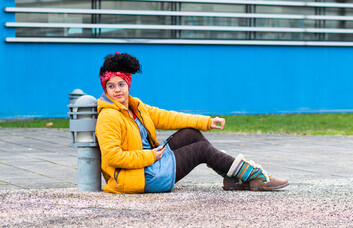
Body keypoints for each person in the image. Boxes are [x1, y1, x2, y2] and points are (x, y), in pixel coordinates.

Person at [95, 52, 289, 194]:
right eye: (111, 86)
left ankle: (233, 179)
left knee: (191, 133)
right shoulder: (109, 116)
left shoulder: (136, 106)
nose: (117, 90)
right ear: (105, 88)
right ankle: (254, 176)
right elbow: (112, 157)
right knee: (201, 150)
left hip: (149, 164)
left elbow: (170, 117)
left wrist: (207, 122)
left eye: (121, 84)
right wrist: (149, 157)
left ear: (129, 84)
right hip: (141, 177)